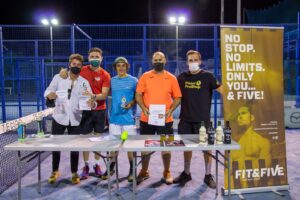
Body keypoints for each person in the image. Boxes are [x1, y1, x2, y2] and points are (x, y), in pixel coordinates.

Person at [44, 53, 96, 184]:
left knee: (74, 147)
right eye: (74, 64)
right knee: (56, 146)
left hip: (75, 119)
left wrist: (92, 103)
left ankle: (74, 173)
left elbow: (91, 100)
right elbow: (48, 90)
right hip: (59, 117)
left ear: (81, 66)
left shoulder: (84, 83)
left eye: (79, 65)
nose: (76, 66)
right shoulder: (59, 78)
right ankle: (55, 171)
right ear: (69, 65)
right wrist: (49, 94)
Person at [60, 47, 111, 179]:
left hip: (100, 111)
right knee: (86, 139)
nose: (95, 58)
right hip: (85, 111)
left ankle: (97, 164)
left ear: (101, 59)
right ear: (89, 58)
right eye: (92, 56)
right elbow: (70, 73)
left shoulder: (105, 75)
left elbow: (104, 95)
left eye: (97, 56)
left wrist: (92, 97)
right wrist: (64, 71)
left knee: (98, 139)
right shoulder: (82, 70)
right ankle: (86, 165)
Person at [175, 50, 223, 188]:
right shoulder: (181, 78)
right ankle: (186, 172)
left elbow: (222, 89)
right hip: (185, 120)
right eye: (190, 60)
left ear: (200, 61)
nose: (193, 62)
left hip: (203, 121)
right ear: (187, 62)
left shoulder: (208, 76)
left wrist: (238, 90)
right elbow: (174, 95)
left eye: (195, 60)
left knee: (207, 148)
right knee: (186, 147)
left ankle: (208, 175)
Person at [135, 51, 182, 184]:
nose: (158, 62)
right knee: (145, 146)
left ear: (165, 60)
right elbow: (138, 94)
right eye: (155, 60)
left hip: (166, 119)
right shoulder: (145, 76)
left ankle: (167, 171)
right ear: (152, 61)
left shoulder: (172, 78)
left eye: (160, 59)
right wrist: (143, 108)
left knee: (166, 145)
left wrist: (171, 110)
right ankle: (144, 171)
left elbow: (178, 97)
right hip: (146, 118)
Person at [101, 57, 138, 182]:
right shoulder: (112, 81)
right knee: (114, 146)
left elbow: (137, 97)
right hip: (114, 120)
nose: (121, 68)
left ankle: (132, 170)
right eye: (118, 66)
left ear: (127, 67)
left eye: (123, 65)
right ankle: (111, 168)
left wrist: (132, 103)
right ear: (115, 67)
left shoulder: (134, 80)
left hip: (128, 121)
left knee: (129, 146)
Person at [231, 106, 271, 187]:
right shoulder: (232, 142)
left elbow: (265, 170)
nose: (240, 117)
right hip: (234, 188)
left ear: (252, 117)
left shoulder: (262, 141)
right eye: (238, 114)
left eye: (243, 113)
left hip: (253, 189)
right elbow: (228, 170)